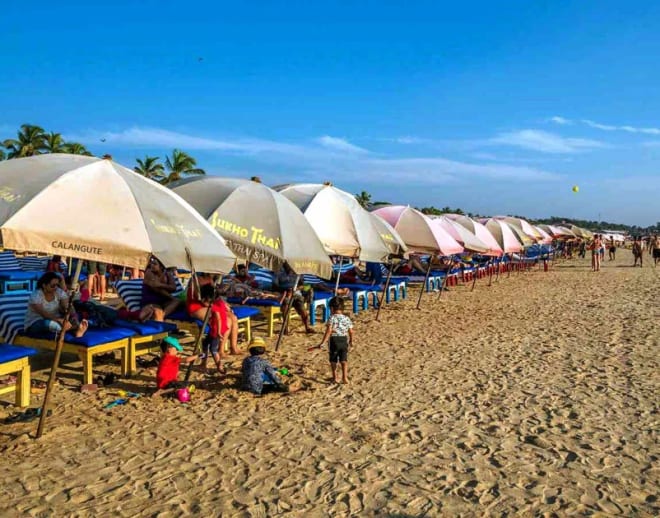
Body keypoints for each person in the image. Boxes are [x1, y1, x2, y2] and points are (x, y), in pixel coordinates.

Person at [186, 274, 240, 356]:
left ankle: (233, 347)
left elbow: (214, 296)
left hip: (209, 303)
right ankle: (221, 350)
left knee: (233, 317)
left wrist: (222, 304)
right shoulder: (196, 280)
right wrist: (215, 305)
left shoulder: (210, 279)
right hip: (197, 306)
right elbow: (200, 298)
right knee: (226, 320)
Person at [24, 272, 89, 338]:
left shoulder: (58, 292)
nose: (55, 288)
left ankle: (75, 330)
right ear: (44, 285)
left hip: (57, 320)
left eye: (57, 285)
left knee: (75, 317)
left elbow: (67, 306)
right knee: (49, 324)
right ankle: (75, 329)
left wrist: (73, 316)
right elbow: (44, 314)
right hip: (36, 322)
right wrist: (60, 320)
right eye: (52, 286)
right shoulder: (36, 295)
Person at [312, 296, 354, 384]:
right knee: (344, 360)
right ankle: (345, 378)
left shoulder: (332, 318)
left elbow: (329, 331)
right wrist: (351, 341)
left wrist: (323, 342)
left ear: (331, 308)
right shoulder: (347, 318)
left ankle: (335, 377)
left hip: (334, 340)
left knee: (333, 360)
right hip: (344, 340)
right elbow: (351, 331)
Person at [273, 263, 314, 334]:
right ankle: (285, 328)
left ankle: (307, 327)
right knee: (285, 304)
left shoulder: (298, 273)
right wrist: (286, 290)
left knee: (303, 310)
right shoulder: (278, 273)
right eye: (287, 264)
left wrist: (295, 289)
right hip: (285, 294)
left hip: (296, 294)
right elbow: (274, 286)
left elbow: (304, 285)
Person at [141, 256, 184, 321]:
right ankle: (160, 317)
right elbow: (157, 289)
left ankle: (162, 315)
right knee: (157, 310)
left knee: (177, 301)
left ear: (161, 267)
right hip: (151, 300)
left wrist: (160, 284)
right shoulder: (149, 273)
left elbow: (173, 287)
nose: (152, 265)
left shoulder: (168, 274)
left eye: (155, 264)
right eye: (152, 263)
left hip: (164, 300)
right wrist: (171, 298)